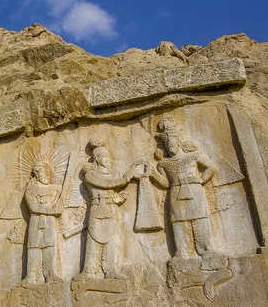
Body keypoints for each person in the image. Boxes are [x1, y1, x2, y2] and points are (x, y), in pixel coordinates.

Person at [150, 116, 217, 260]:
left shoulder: (194, 156)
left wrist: (201, 179)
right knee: (178, 221)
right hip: (175, 192)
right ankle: (182, 252)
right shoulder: (163, 164)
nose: (170, 145)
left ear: (179, 141)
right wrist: (153, 174)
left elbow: (211, 167)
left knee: (201, 218)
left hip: (194, 190)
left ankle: (207, 249)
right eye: (167, 143)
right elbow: (166, 184)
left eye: (172, 142)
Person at [76, 134, 138, 280]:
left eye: (108, 157)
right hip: (97, 208)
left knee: (113, 239)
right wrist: (125, 178)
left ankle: (111, 269)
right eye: (104, 157)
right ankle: (89, 271)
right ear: (97, 159)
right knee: (94, 238)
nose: (108, 159)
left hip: (112, 208)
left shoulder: (114, 174)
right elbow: (106, 184)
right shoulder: (91, 175)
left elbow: (112, 188)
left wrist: (118, 198)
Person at [23, 161, 62, 284]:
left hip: (49, 221)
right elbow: (33, 207)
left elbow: (58, 207)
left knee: (50, 245)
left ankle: (50, 273)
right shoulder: (31, 189)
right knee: (34, 246)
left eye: (48, 172)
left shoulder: (55, 189)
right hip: (36, 221)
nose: (47, 175)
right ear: (37, 174)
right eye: (44, 172)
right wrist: (51, 210)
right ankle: (31, 275)